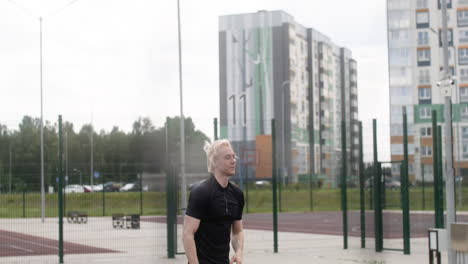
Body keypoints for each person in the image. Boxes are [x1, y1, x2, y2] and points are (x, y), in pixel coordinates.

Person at [183, 139, 245, 264]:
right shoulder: (201, 192)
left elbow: (238, 231)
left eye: (234, 157)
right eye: (227, 157)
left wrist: (238, 252)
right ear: (215, 161)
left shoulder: (237, 194)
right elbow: (187, 234)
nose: (233, 161)